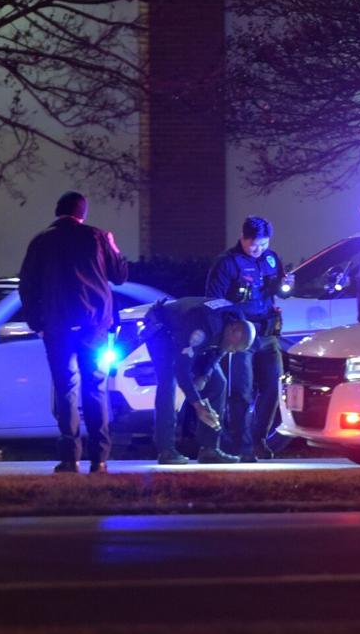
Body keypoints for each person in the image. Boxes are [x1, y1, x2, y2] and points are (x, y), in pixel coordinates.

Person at [18, 191, 128, 474]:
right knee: (96, 388)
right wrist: (114, 247)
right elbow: (120, 276)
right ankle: (100, 458)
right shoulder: (98, 237)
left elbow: (27, 285)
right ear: (83, 213)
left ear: (57, 211)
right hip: (94, 327)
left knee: (66, 389)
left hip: (58, 326)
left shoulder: (41, 241)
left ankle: (70, 458)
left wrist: (37, 323)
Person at [206, 216, 290, 461]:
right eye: (254, 244)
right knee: (241, 392)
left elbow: (282, 291)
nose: (259, 250)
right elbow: (213, 300)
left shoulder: (271, 259)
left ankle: (259, 440)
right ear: (243, 238)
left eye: (263, 244)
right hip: (241, 335)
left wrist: (286, 286)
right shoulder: (227, 263)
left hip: (268, 333)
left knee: (273, 387)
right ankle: (241, 446)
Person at [143, 297, 256, 464]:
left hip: (186, 332)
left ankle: (209, 449)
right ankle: (166, 449)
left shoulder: (235, 320)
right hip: (161, 329)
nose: (232, 351)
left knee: (218, 382)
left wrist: (205, 375)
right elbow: (182, 370)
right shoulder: (202, 328)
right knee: (168, 382)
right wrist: (197, 405)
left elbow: (220, 350)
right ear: (232, 330)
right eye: (233, 346)